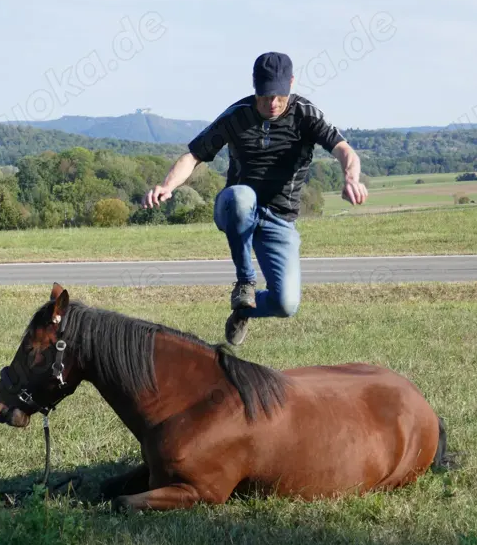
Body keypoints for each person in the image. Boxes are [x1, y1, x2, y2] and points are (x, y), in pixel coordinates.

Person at [142, 51, 368, 346]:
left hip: (280, 218)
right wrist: (167, 185)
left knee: (286, 304)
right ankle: (245, 282)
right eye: (264, 96)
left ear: (291, 83)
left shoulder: (305, 114)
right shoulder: (237, 115)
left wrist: (351, 178)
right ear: (254, 87)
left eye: (279, 95)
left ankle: (244, 309)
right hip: (235, 207)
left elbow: (344, 150)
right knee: (242, 196)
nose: (272, 103)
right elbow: (194, 155)